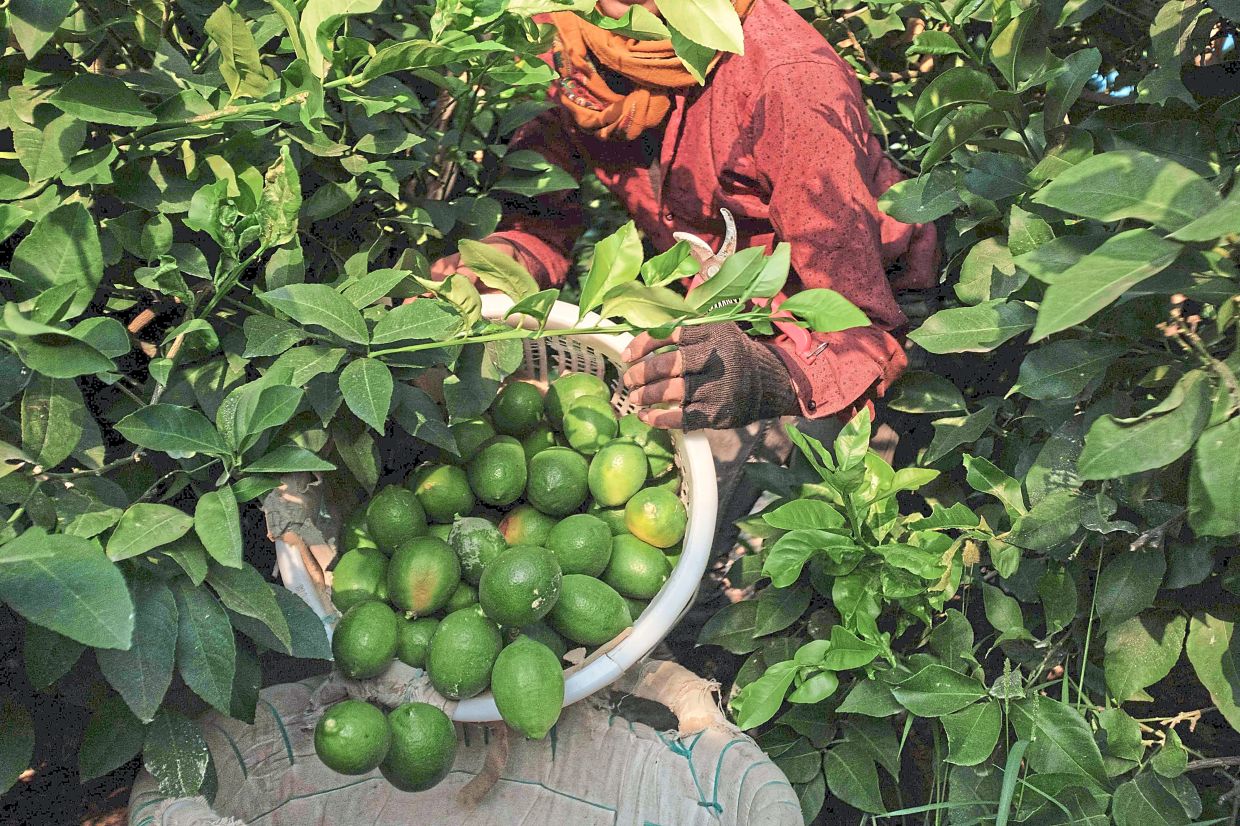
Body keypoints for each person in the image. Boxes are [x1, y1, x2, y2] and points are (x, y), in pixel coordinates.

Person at [431, 0, 937, 546]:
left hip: (860, 305)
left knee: (819, 535)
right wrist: (490, 270)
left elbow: (862, 333)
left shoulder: (786, 79)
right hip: (724, 301)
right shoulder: (569, 38)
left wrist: (767, 377)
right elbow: (539, 215)